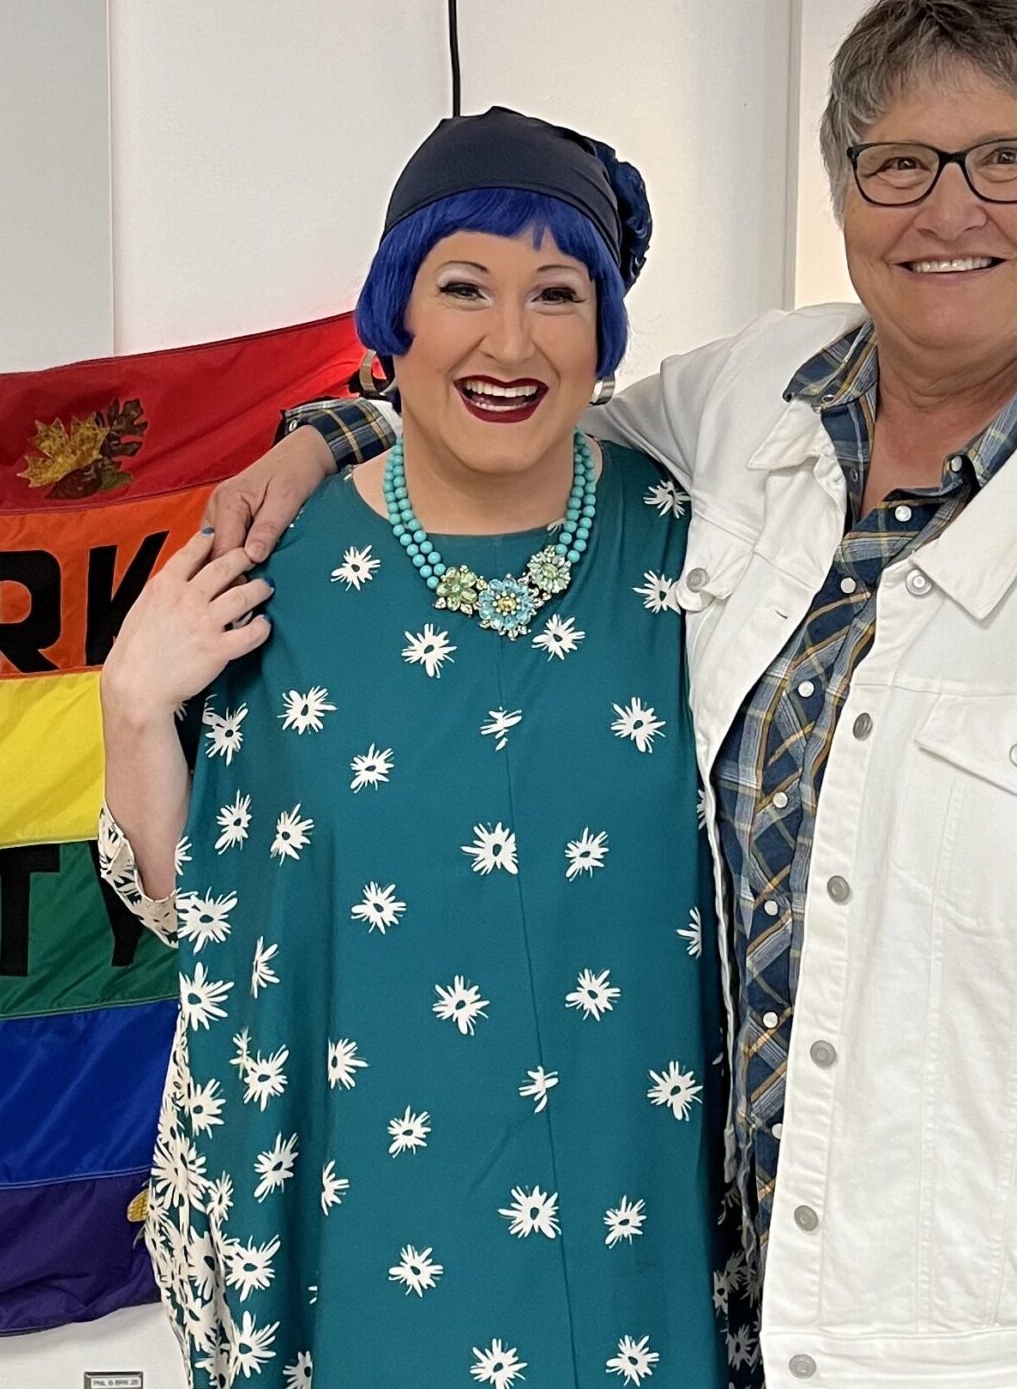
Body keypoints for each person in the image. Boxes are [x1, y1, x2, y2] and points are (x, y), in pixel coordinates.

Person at [205, 0, 1017, 1389]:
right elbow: (526, 407)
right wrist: (320, 438)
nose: (950, 208)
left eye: (1009, 159)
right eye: (900, 162)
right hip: (746, 1310)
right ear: (844, 192)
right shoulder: (756, 400)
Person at [99, 108, 728, 1387]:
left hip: (644, 1229)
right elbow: (204, 913)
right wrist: (131, 709)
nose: (509, 341)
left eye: (556, 294)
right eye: (463, 288)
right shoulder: (274, 573)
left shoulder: (708, 559)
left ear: (603, 335)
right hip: (374, 1231)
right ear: (393, 321)